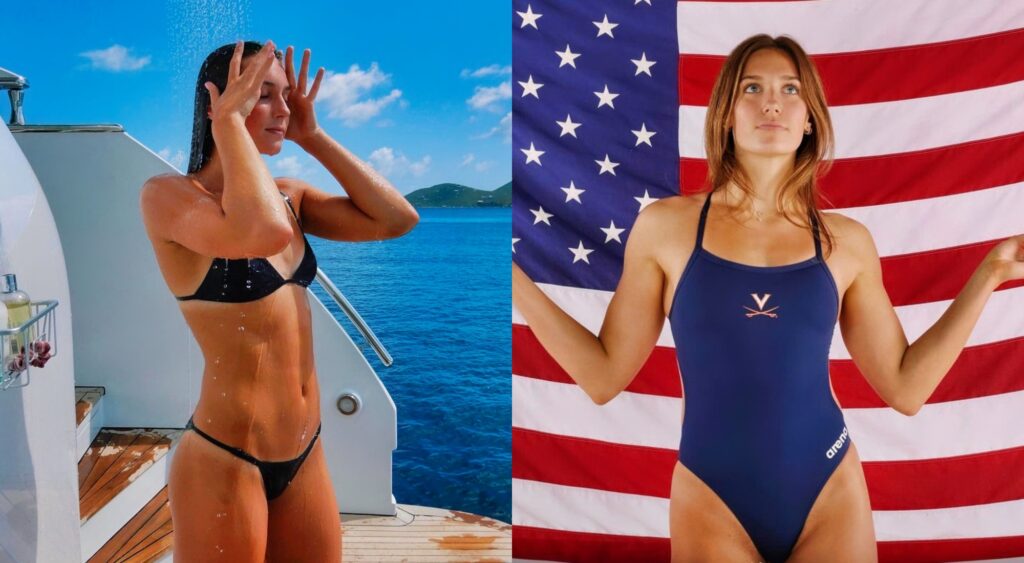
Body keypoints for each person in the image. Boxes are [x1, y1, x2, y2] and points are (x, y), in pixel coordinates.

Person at [512, 34, 1024, 562]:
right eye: (751, 88)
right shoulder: (666, 227)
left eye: (790, 89)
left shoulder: (846, 242)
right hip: (712, 496)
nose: (771, 102)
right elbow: (603, 377)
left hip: (829, 490)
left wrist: (988, 275)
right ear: (726, 116)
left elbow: (905, 387)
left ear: (809, 120)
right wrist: (514, 283)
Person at [140, 40, 418, 561]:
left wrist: (313, 137)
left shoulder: (290, 197)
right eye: (262, 94)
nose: (284, 109)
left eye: (286, 96)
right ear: (216, 102)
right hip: (226, 459)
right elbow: (260, 232)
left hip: (306, 452)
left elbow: (396, 219)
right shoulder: (168, 198)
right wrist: (227, 126)